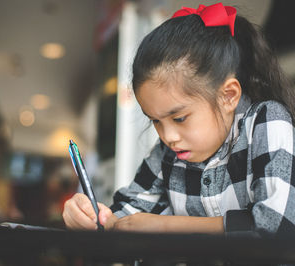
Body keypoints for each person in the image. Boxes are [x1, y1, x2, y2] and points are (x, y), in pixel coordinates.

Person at [62, 2, 295, 237]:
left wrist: (164, 225)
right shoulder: (168, 153)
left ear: (228, 96)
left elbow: (276, 223)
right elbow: (125, 216)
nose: (168, 137)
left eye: (180, 118)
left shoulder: (266, 122)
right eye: (155, 121)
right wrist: (94, 217)